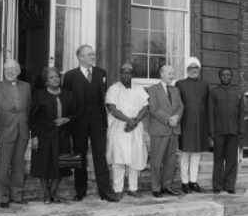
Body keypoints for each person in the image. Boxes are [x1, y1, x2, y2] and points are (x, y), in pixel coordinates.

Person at [62, 44, 118, 202]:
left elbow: (103, 97)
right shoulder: (70, 76)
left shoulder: (101, 73)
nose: (93, 57)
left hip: (98, 120)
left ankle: (105, 192)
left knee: (100, 155)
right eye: (90, 55)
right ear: (80, 57)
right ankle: (79, 191)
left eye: (93, 54)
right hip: (78, 121)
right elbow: (66, 100)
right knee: (78, 155)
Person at [0, 59, 31, 208]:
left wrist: (29, 129)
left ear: (18, 71)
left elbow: (29, 109)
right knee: (3, 166)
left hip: (22, 131)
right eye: (7, 69)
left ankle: (17, 196)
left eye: (13, 69)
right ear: (3, 71)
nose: (10, 71)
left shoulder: (26, 87)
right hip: (4, 131)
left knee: (19, 165)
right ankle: (3, 198)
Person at [30, 67, 78, 204]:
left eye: (57, 76)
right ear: (46, 81)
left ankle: (53, 193)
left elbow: (76, 113)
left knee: (63, 165)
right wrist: (34, 136)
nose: (55, 79)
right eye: (51, 77)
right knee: (43, 165)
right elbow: (33, 117)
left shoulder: (69, 94)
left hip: (63, 135)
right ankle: (46, 194)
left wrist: (66, 119)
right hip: (44, 135)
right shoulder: (39, 94)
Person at [105, 62, 149, 200]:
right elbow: (111, 108)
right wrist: (128, 121)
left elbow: (145, 108)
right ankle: (117, 189)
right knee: (118, 160)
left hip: (135, 128)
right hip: (119, 128)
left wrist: (135, 122)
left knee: (135, 159)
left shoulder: (139, 90)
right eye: (124, 72)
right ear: (120, 73)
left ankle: (133, 188)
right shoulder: (113, 89)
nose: (126, 75)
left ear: (132, 74)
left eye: (129, 72)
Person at [148, 65, 184, 198]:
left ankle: (167, 186)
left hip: (174, 130)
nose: (172, 76)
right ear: (161, 74)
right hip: (159, 130)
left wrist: (177, 118)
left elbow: (181, 107)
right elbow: (153, 109)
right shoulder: (153, 89)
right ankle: (155, 188)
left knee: (170, 161)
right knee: (156, 161)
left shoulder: (175, 90)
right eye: (169, 73)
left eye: (173, 74)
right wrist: (169, 119)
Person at [175, 57, 209, 194]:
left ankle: (193, 181)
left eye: (196, 68)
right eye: (191, 68)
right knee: (185, 154)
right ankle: (184, 183)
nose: (194, 70)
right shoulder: (180, 83)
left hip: (200, 123)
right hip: (186, 123)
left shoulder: (204, 84)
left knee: (196, 154)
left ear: (199, 70)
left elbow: (207, 104)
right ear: (187, 69)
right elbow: (177, 104)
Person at [209, 68, 244, 194]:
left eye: (228, 75)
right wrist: (211, 130)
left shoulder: (238, 91)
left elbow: (241, 112)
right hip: (219, 131)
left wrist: (241, 130)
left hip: (233, 131)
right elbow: (210, 113)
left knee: (231, 160)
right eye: (223, 75)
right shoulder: (214, 92)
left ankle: (229, 186)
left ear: (231, 76)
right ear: (219, 77)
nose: (225, 77)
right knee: (218, 159)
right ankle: (217, 186)